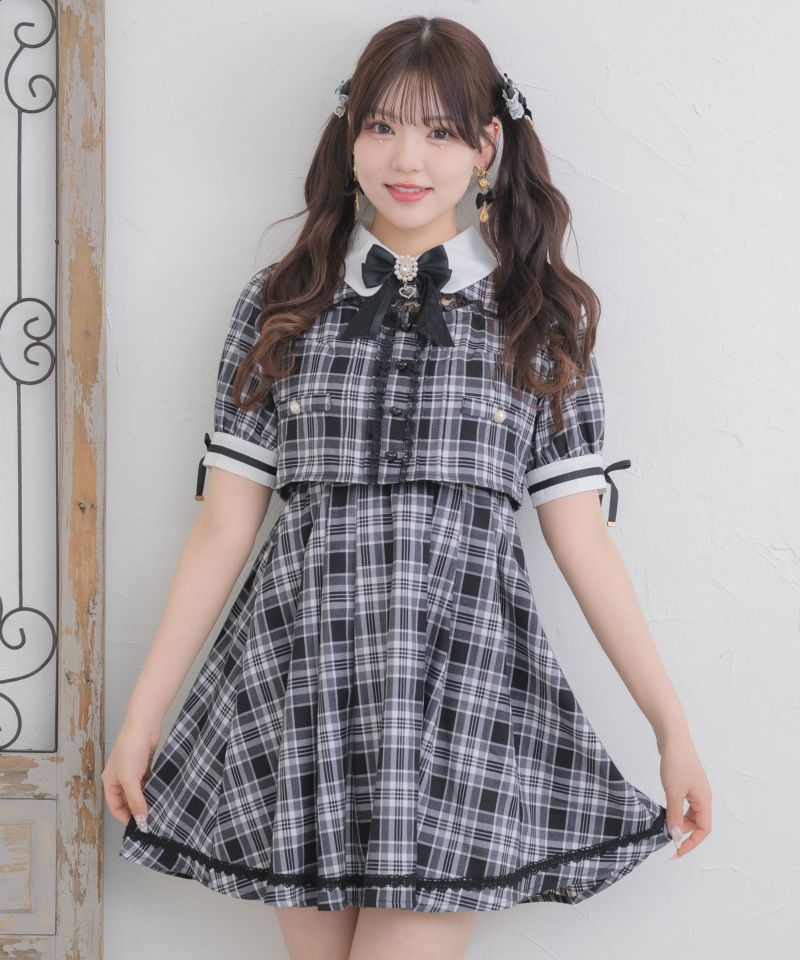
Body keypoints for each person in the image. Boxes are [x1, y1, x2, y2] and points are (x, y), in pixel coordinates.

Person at [102, 15, 712, 960]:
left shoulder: (536, 317)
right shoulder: (282, 304)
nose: (407, 158)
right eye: (382, 125)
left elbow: (582, 538)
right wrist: (143, 720)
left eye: (439, 130)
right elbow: (223, 529)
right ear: (350, 139)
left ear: (487, 146)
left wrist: (670, 729)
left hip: (460, 693)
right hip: (300, 686)